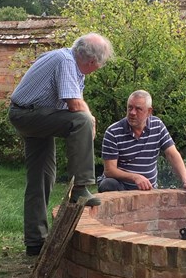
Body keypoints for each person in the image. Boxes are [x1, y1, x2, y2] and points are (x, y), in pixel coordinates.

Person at [9, 32, 114, 256]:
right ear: (91, 61)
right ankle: (80, 187)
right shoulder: (66, 61)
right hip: (28, 115)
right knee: (82, 120)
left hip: (30, 115)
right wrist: (90, 122)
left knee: (42, 178)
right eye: (99, 64)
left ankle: (35, 241)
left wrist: (87, 121)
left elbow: (74, 103)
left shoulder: (68, 61)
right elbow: (75, 106)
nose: (98, 68)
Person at [98, 90, 186, 193]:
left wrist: (185, 180)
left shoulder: (157, 125)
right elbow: (109, 170)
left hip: (148, 189)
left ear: (149, 111)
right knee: (108, 184)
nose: (132, 112)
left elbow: (172, 154)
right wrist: (135, 177)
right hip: (121, 188)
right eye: (130, 107)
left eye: (138, 109)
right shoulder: (113, 132)